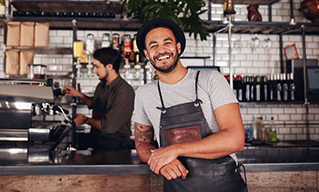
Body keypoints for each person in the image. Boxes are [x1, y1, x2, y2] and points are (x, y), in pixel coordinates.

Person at [133, 18, 247, 191]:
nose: (161, 50)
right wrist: (158, 161)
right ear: (147, 54)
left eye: (167, 42)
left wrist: (174, 150)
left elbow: (236, 139)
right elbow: (142, 144)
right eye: (153, 45)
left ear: (178, 47)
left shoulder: (210, 80)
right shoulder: (144, 93)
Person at [64, 47, 135, 150]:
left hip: (116, 146)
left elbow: (108, 127)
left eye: (97, 66)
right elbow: (95, 104)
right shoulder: (101, 85)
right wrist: (78, 94)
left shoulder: (124, 91)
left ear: (109, 66)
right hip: (98, 140)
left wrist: (86, 120)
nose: (94, 70)